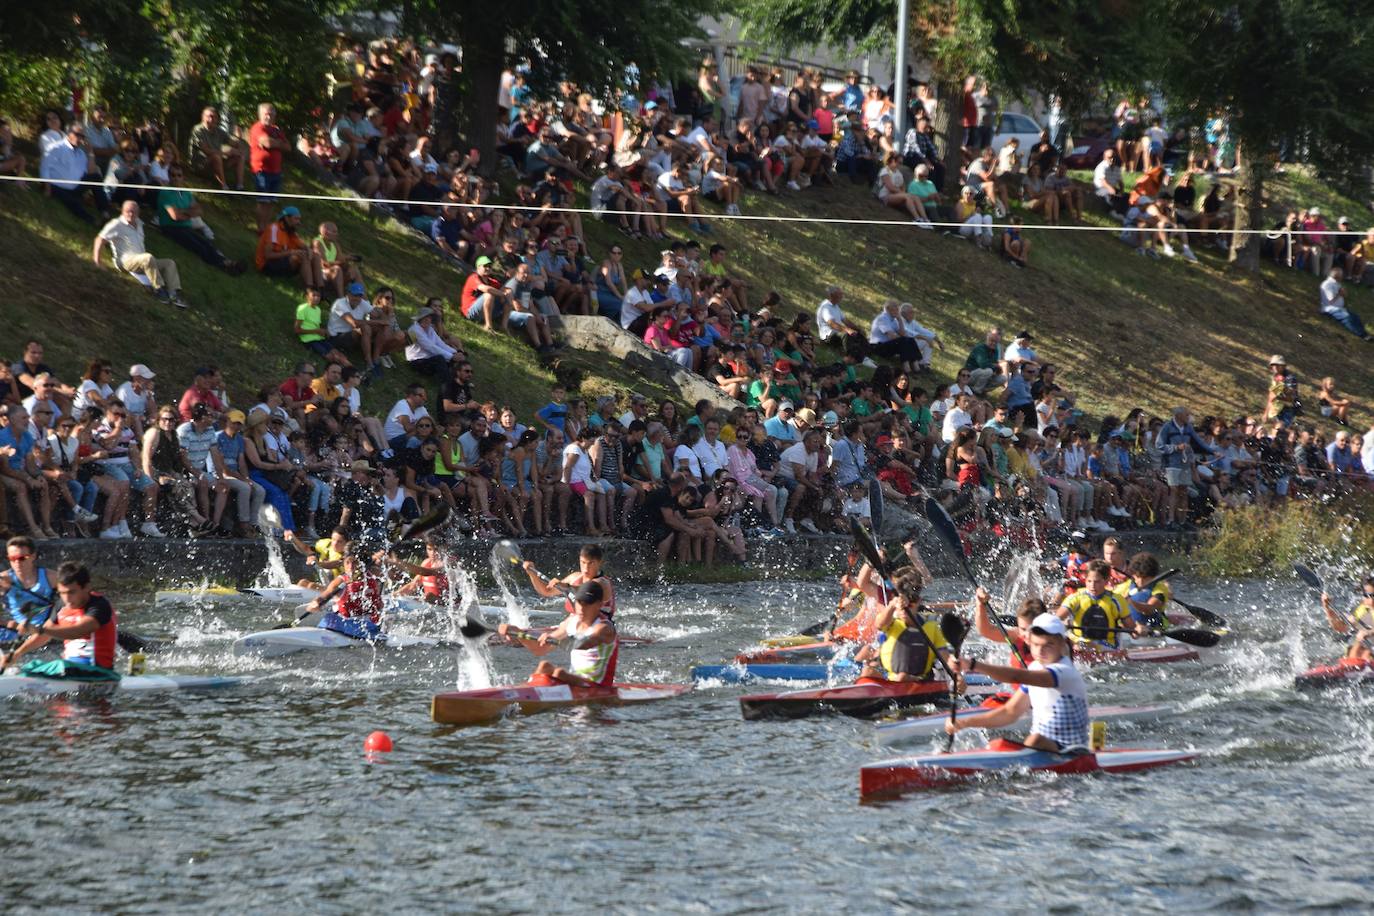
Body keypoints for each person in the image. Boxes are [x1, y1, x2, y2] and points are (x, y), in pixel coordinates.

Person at [946, 611, 1090, 752]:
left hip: (1072, 750)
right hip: (1044, 749)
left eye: (1048, 645)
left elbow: (1016, 677)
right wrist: (964, 722)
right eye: (1036, 645)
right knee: (998, 744)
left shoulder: (1064, 671)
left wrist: (973, 665)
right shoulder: (1035, 667)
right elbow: (1010, 712)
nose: (1040, 651)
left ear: (1061, 645)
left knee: (1035, 739)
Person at [0, 563, 119, 681]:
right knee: (31, 666)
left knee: (60, 666)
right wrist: (17, 654)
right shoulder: (62, 605)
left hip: (98, 671)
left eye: (71, 592)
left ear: (87, 587)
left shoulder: (99, 605)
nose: (66, 598)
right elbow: (44, 635)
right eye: (62, 593)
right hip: (70, 670)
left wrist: (37, 628)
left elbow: (77, 631)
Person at [498, 580, 619, 687]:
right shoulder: (571, 621)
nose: (581, 609)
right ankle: (522, 693)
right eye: (579, 602)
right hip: (574, 680)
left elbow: (583, 643)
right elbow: (539, 649)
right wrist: (517, 633)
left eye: (587, 604)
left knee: (559, 673)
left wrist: (555, 640)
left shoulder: (604, 628)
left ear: (599, 605)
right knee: (544, 666)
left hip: (597, 686)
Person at [855, 566, 954, 683]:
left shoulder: (930, 625)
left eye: (909, 606)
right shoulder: (891, 620)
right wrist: (892, 605)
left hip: (920, 681)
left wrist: (957, 676)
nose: (903, 611)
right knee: (867, 670)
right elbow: (879, 625)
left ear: (918, 602)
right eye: (902, 607)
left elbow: (946, 658)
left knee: (902, 676)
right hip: (892, 679)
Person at [93, 200, 188, 307]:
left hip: (142, 261)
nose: (130, 214)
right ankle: (158, 289)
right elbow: (99, 239)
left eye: (133, 212)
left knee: (169, 263)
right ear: (122, 211)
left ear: (138, 213)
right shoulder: (116, 224)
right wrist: (97, 261)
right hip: (125, 262)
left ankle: (173, 294)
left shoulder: (139, 223)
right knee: (147, 257)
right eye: (128, 211)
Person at [1055, 559, 1142, 648]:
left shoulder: (1117, 600)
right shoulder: (1075, 598)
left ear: (1106, 580)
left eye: (1097, 582)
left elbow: (1133, 631)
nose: (1092, 586)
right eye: (1089, 581)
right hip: (1079, 643)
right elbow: (1056, 619)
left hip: (1107, 647)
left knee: (1090, 646)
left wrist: (1138, 630)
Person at [303, 547, 384, 640]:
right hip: (344, 622)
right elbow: (325, 595)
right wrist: (316, 602)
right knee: (329, 618)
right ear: (343, 563)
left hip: (369, 623)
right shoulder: (340, 581)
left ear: (362, 564)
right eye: (347, 563)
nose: (351, 567)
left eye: (355, 562)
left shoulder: (373, 575)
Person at [521, 543, 616, 617]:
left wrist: (565, 586)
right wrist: (532, 574)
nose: (586, 568)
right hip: (576, 623)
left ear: (600, 563)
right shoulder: (574, 577)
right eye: (583, 562)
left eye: (591, 563)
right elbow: (546, 591)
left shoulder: (603, 583)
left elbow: (586, 590)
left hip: (598, 626)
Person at [1, 536, 58, 649]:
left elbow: (76, 602)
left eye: (22, 558)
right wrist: (8, 623)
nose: (17, 562)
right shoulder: (3, 580)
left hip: (44, 633)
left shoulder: (51, 577)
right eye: (12, 558)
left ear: (33, 556)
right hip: (15, 630)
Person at [1112, 552, 1172, 629]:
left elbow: (1149, 609)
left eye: (1145, 578)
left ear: (1152, 577)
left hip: (1154, 630)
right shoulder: (1124, 587)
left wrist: (1131, 601)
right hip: (1128, 629)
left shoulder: (1160, 588)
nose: (1141, 581)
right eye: (1138, 577)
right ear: (1133, 575)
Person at [1321, 576, 1374, 662]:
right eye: (1367, 596)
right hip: (1361, 658)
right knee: (1354, 649)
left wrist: (1369, 632)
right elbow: (1339, 627)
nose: (1371, 601)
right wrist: (1327, 608)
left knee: (1366, 653)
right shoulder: (1362, 611)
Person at [1318, 267, 1372, 340]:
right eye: (1341, 275)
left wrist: (1343, 294)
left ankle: (1365, 333)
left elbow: (1344, 295)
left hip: (1339, 308)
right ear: (1336, 275)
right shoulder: (1328, 284)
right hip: (1330, 309)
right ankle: (1362, 335)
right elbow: (1330, 300)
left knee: (1355, 317)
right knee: (1347, 317)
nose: (1342, 276)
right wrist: (1339, 294)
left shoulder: (1337, 284)